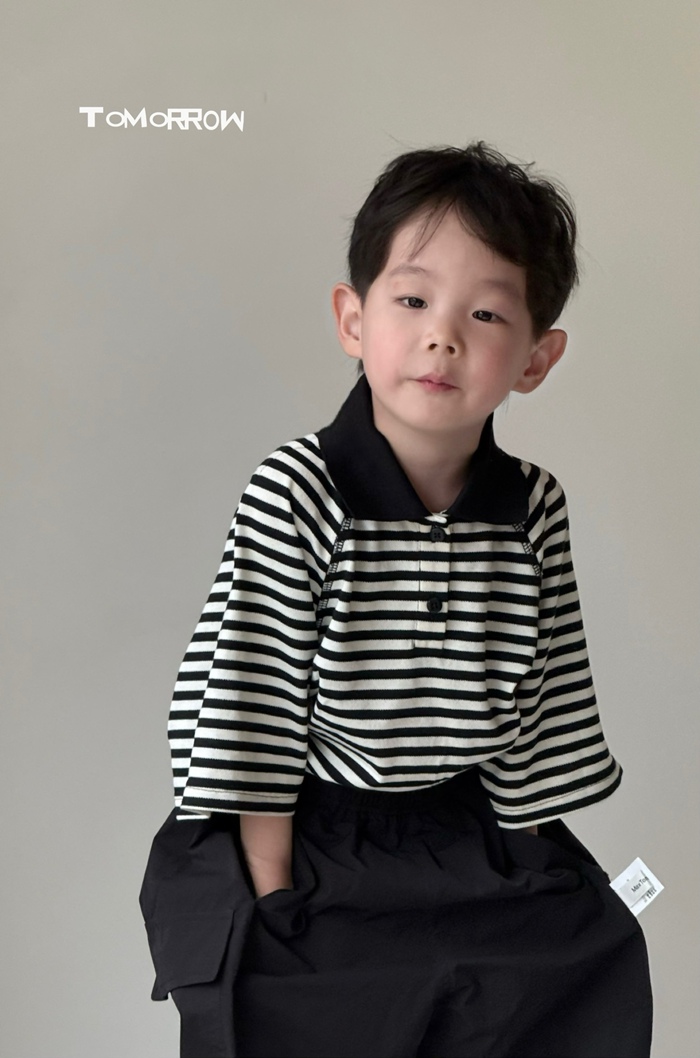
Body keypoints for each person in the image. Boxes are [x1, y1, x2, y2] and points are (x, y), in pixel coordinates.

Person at [139, 141, 653, 1058]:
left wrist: (535, 860)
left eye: (485, 313)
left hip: (467, 827)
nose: (442, 336)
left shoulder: (533, 507)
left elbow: (545, 697)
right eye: (412, 301)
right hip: (311, 829)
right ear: (353, 318)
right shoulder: (298, 490)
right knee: (290, 1002)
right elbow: (252, 704)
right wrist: (274, 894)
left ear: (536, 358)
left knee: (591, 960)